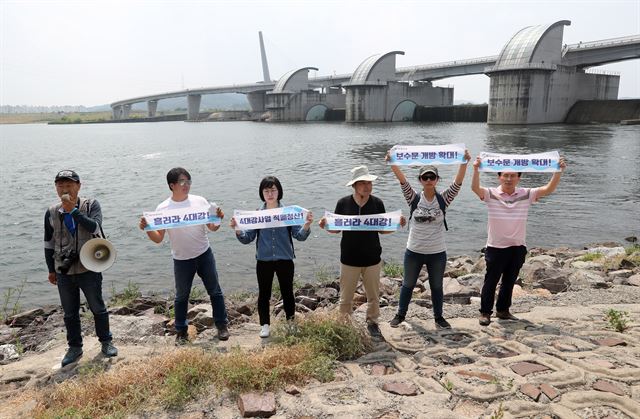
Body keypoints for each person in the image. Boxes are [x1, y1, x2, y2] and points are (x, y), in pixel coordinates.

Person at [471, 156, 567, 326]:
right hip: (496, 246)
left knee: (509, 281)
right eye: (505, 175)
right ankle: (485, 312)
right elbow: (474, 188)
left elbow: (548, 189)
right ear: (499, 176)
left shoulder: (526, 194)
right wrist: (476, 170)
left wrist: (557, 171)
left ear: (518, 178)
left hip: (517, 246)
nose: (509, 179)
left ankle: (503, 311)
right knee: (491, 281)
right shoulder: (491, 193)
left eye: (513, 176)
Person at [139, 167, 229, 343]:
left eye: (188, 181)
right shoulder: (163, 207)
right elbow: (158, 238)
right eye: (182, 182)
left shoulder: (200, 201)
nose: (186, 185)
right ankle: (181, 331)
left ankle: (222, 325)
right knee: (181, 297)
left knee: (215, 291)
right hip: (181, 259)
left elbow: (212, 228)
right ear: (172, 185)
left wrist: (218, 219)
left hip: (204, 254)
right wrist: (147, 229)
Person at [386, 150, 471, 329]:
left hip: (437, 252)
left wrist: (464, 162)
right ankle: (400, 314)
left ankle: (439, 317)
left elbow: (458, 183)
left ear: (437, 179)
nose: (429, 180)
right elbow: (402, 181)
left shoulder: (443, 199)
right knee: (408, 284)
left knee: (437, 286)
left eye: (432, 177)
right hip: (414, 251)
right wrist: (392, 162)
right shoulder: (414, 198)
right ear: (420, 180)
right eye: (425, 177)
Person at [319, 165, 405, 338]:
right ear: (355, 185)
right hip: (349, 259)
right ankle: (344, 325)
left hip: (372, 258)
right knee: (345, 298)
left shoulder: (377, 203)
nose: (367, 186)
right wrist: (325, 225)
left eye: (369, 183)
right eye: (363, 183)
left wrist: (396, 225)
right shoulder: (343, 203)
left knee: (373, 297)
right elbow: (336, 229)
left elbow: (382, 229)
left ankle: (372, 322)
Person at [44, 170, 117, 367]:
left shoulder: (91, 205)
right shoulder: (51, 211)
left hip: (90, 267)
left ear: (78, 186)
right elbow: (48, 243)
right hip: (64, 269)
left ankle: (106, 342)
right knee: (69, 312)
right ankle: (74, 347)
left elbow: (95, 227)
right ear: (56, 188)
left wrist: (73, 211)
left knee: (98, 307)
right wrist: (51, 269)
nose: (65, 190)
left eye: (69, 185)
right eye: (60, 186)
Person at [230, 176, 313, 338]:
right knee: (264, 294)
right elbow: (247, 239)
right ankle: (265, 325)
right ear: (262, 193)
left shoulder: (288, 213)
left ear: (279, 191)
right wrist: (237, 229)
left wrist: (307, 224)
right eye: (266, 190)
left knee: (287, 292)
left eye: (273, 190)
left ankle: (291, 323)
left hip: (285, 259)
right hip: (264, 260)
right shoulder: (257, 215)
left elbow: (299, 236)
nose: (270, 193)